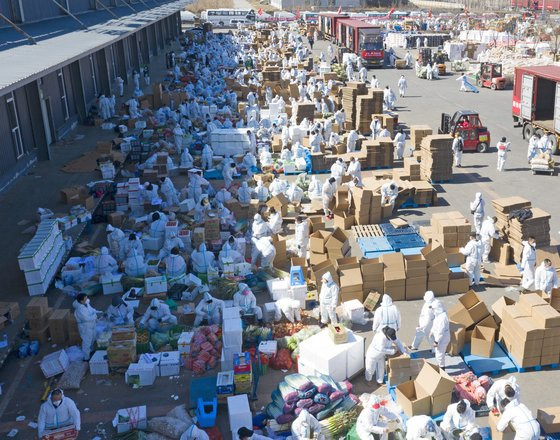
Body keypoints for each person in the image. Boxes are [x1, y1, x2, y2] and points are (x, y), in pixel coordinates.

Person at [73, 293, 99, 360]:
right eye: (86, 299)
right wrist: (95, 316)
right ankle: (86, 358)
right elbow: (86, 318)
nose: (87, 299)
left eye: (87, 298)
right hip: (85, 327)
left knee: (93, 338)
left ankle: (91, 351)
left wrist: (97, 311)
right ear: (81, 301)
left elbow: (91, 309)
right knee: (87, 342)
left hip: (92, 324)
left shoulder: (86, 303)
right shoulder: (79, 310)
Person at [430, 301, 450, 369]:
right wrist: (432, 331)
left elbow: (440, 331)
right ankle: (440, 365)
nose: (432, 310)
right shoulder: (438, 314)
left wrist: (436, 341)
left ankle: (442, 368)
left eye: (433, 309)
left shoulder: (442, 318)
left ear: (437, 308)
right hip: (440, 337)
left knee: (440, 355)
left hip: (442, 339)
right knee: (438, 353)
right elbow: (435, 324)